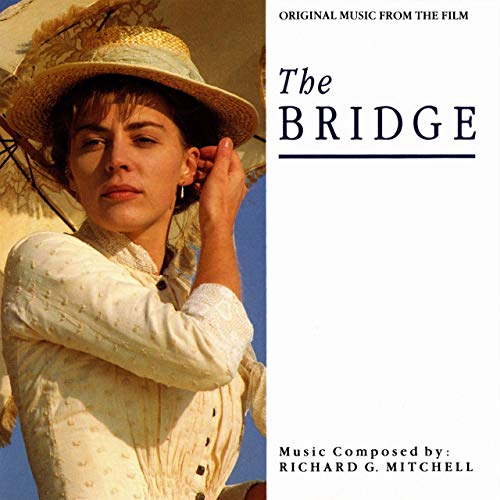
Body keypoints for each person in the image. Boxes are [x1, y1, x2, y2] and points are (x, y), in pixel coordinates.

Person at [1, 24, 266, 500]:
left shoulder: (192, 303)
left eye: (143, 139)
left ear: (188, 165)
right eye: (92, 142)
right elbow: (205, 354)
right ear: (69, 173)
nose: (116, 160)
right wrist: (218, 224)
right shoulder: (44, 261)